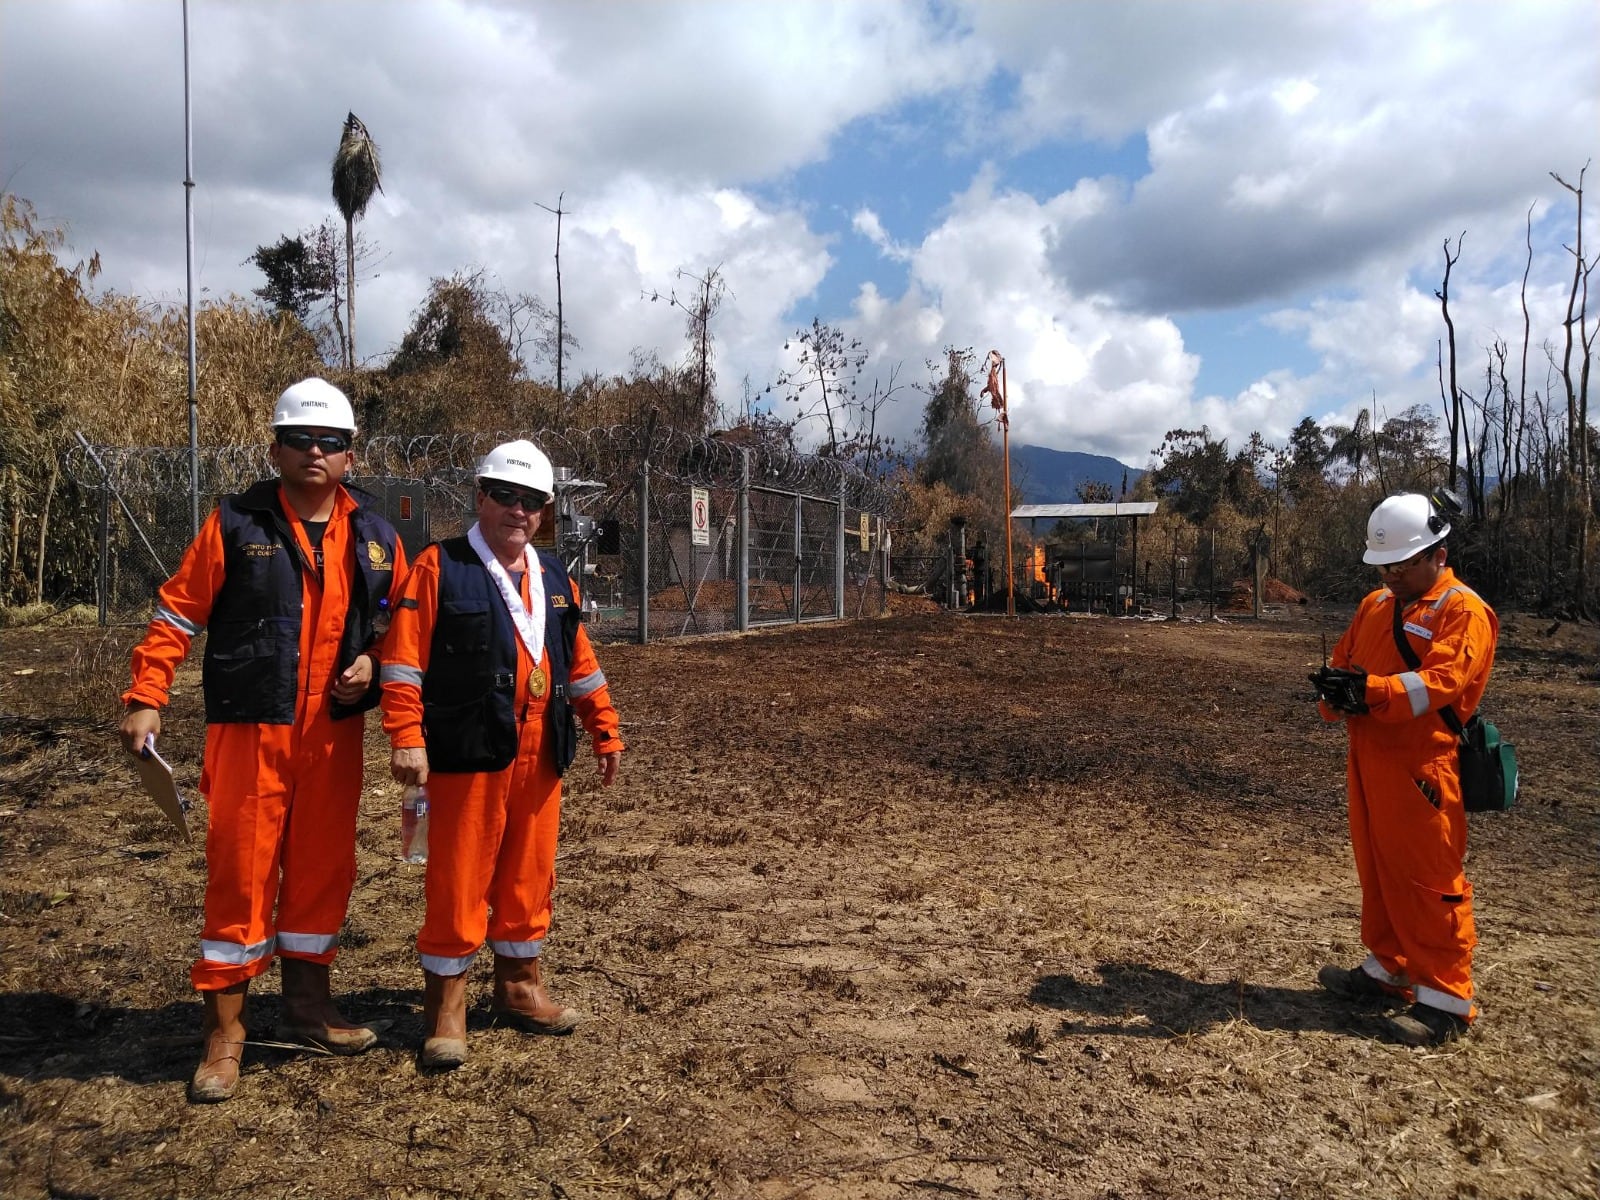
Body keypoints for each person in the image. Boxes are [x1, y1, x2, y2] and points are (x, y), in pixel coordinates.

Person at [118, 378, 406, 1103]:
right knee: (241, 877)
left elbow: (401, 630)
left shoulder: (376, 539)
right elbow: (177, 615)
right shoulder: (235, 525)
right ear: (275, 447)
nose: (316, 452)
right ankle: (227, 1032)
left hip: (333, 740)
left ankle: (309, 1008)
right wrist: (147, 695)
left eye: (332, 443)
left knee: (321, 872)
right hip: (251, 731)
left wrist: (371, 665)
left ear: (349, 456)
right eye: (302, 440)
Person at [379, 439, 623, 1069]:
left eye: (533, 501)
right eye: (506, 497)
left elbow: (579, 662)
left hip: (541, 749)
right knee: (458, 874)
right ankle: (447, 1008)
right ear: (481, 497)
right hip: (467, 746)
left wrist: (604, 725)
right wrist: (406, 736)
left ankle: (518, 986)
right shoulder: (439, 567)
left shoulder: (553, 578)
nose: (519, 511)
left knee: (528, 872)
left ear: (546, 511)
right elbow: (403, 661)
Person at [1309, 491, 1498, 1046]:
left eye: (1401, 563)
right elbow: (1346, 660)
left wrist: (1369, 692)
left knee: (1426, 875)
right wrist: (1336, 692)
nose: (1390, 573)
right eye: (1383, 565)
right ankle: (1388, 966)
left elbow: (1442, 682)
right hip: (1369, 756)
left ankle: (1446, 998)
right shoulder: (1375, 606)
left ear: (1437, 553)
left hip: (1423, 764)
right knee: (1378, 867)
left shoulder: (1462, 610)